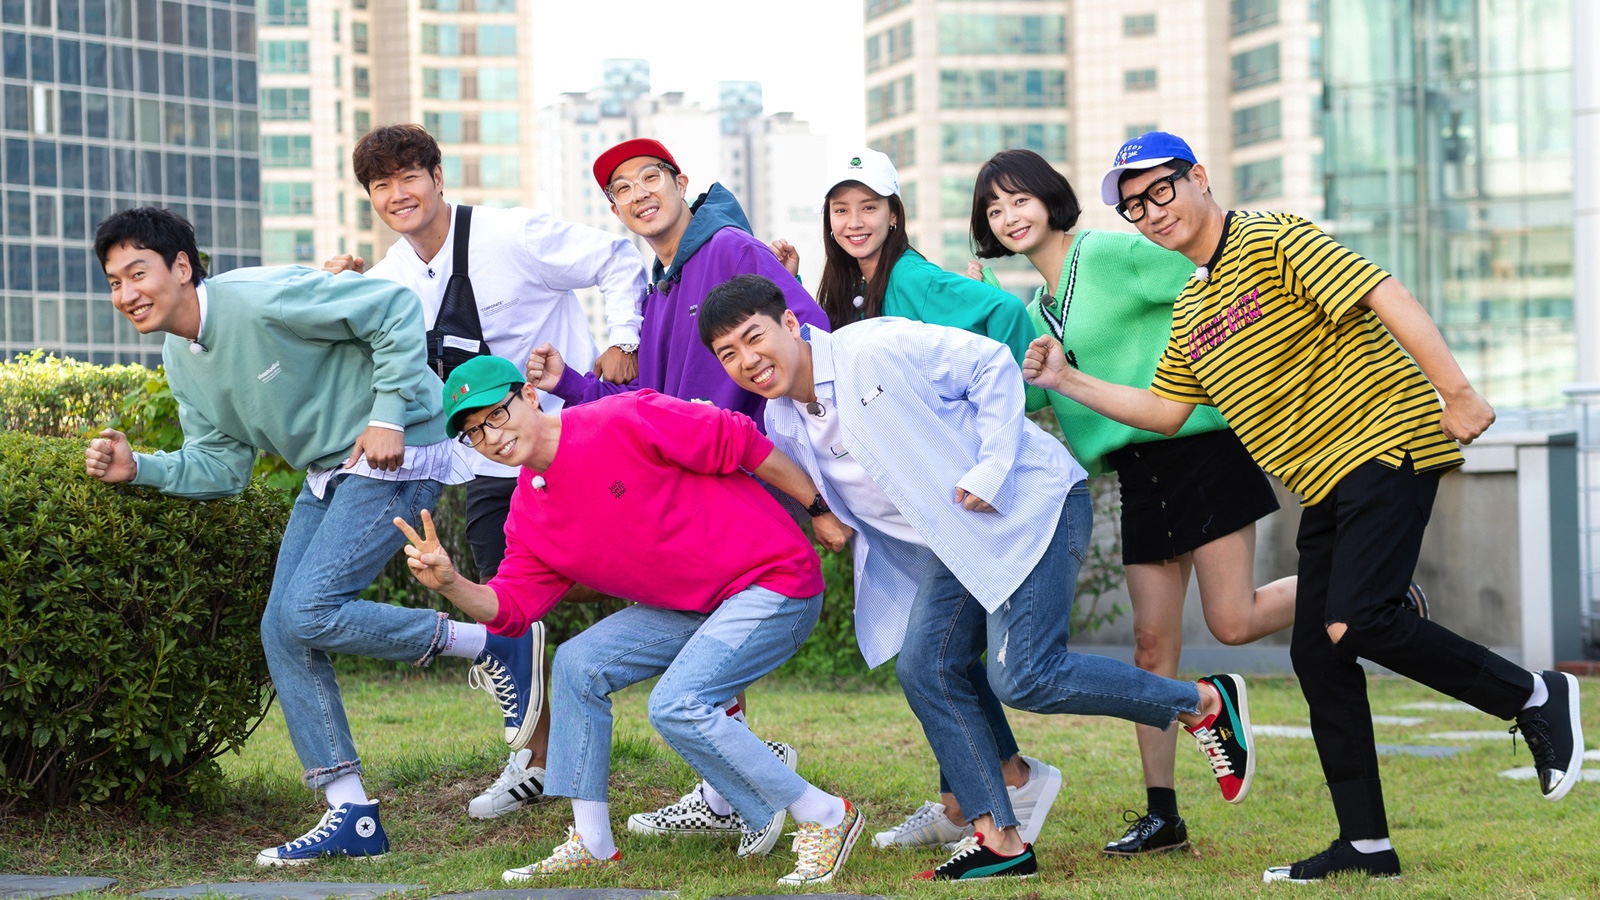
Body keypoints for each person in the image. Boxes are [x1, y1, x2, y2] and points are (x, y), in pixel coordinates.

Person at [1026, 130, 1585, 882]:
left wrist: (1456, 390)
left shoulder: (1271, 236)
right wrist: (1068, 381)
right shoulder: (1192, 306)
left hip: (1384, 438)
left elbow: (1383, 292)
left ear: (1198, 178)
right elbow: (1164, 411)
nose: (1152, 212)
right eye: (1134, 206)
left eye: (1161, 190)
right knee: (1318, 652)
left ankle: (1534, 694)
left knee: (1361, 619)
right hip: (1323, 479)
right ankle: (1366, 844)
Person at [699, 274, 1257, 881]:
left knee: (1025, 675)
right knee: (926, 668)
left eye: (754, 337)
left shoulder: (872, 347)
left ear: (789, 323)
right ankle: (1000, 839)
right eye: (729, 354)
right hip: (957, 545)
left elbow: (990, 363)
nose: (747, 360)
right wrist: (817, 512)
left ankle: (1202, 702)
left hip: (1028, 506)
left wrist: (992, 465)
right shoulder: (783, 419)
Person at [83, 207, 533, 866]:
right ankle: (351, 813)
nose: (127, 294)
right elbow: (221, 466)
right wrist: (140, 468)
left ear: (181, 267)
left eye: (137, 273)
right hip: (332, 470)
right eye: (114, 283)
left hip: (400, 450)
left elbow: (393, 308)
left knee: (307, 611)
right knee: (283, 628)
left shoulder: (258, 297)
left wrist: (387, 414)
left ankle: (494, 644)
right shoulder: (181, 356)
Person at [396, 354, 864, 885]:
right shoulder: (528, 513)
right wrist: (451, 583)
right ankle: (592, 841)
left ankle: (825, 814)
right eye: (475, 433)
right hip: (693, 608)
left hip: (773, 582)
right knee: (576, 665)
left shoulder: (620, 418)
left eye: (496, 415)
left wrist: (818, 508)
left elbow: (739, 440)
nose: (492, 437)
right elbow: (510, 609)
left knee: (676, 704)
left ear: (528, 396)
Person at [324, 124, 650, 821]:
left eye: (409, 176)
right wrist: (337, 288)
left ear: (438, 177)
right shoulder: (389, 279)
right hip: (490, 462)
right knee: (500, 600)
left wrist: (624, 339)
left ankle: (720, 743)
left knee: (659, 577)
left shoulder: (512, 235)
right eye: (381, 185)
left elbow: (617, 258)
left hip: (573, 443)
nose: (398, 193)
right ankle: (534, 757)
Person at [523, 137, 832, 854]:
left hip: (754, 477)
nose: (639, 195)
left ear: (680, 181)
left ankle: (754, 791)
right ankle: (729, 789)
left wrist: (796, 458)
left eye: (650, 179)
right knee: (704, 645)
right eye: (622, 190)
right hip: (703, 494)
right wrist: (570, 382)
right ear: (614, 210)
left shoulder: (730, 250)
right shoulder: (659, 287)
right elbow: (643, 406)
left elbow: (808, 337)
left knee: (712, 651)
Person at [771, 148, 1061, 851]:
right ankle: (972, 795)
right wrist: (793, 284)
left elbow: (999, 312)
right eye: (842, 210)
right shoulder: (851, 289)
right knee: (937, 658)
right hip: (916, 511)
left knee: (941, 659)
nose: (855, 222)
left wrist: (1007, 423)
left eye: (869, 207)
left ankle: (980, 797)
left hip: (962, 496)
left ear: (894, 214)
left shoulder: (911, 278)